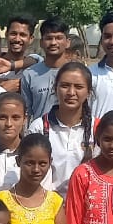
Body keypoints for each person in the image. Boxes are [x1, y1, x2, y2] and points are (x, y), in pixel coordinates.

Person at [30, 62, 96, 194]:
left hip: (85, 203)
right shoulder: (39, 127)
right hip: (47, 203)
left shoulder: (97, 128)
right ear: (55, 89)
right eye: (65, 86)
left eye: (78, 87)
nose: (71, 92)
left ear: (88, 92)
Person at [20, 18, 76, 118]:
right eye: (49, 38)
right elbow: (27, 111)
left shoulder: (77, 73)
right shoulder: (29, 74)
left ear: (67, 42)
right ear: (41, 42)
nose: (53, 43)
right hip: (39, 127)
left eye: (59, 38)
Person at [0, 16, 42, 92]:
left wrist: (20, 82)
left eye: (23, 35)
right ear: (6, 34)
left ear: (31, 39)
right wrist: (1, 90)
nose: (17, 39)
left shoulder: (35, 69)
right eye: (13, 34)